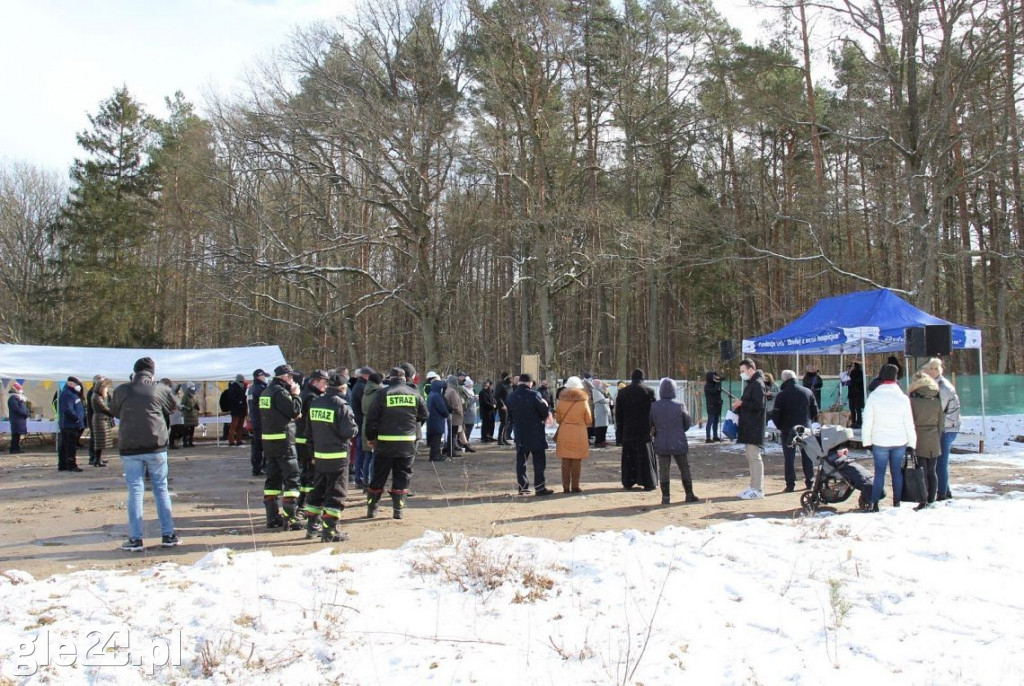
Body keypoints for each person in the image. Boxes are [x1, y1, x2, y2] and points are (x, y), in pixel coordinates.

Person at [111, 357, 180, 551]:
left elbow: (114, 411)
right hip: (156, 445)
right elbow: (173, 406)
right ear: (152, 373)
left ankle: (135, 538)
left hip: (130, 446)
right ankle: (168, 535)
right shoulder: (159, 389)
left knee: (135, 491)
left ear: (135, 372)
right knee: (161, 489)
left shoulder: (121, 390)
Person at [363, 366, 427, 519]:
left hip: (385, 444)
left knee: (378, 477)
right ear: (405, 379)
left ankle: (372, 508)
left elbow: (371, 420)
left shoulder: (382, 394)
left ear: (390, 379)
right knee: (402, 476)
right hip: (407, 444)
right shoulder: (415, 394)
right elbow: (424, 415)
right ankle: (398, 510)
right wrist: (410, 424)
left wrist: (371, 438)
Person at [303, 371, 358, 542]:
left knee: (317, 490)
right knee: (336, 492)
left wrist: (312, 453)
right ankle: (330, 531)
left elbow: (308, 432)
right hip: (338, 456)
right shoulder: (341, 405)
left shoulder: (316, 403)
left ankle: (312, 527)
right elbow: (348, 431)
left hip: (319, 456)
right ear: (342, 388)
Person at [862, 363, 916, 511]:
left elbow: (867, 421)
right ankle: (897, 502)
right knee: (896, 472)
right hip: (899, 441)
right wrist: (912, 443)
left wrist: (866, 441)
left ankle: (875, 503)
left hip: (880, 441)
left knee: (879, 473)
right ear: (896, 377)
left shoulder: (874, 396)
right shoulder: (903, 398)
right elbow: (909, 422)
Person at [259, 364, 304, 530]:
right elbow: (294, 411)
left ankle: (272, 518)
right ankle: (291, 519)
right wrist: (296, 395)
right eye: (291, 377)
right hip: (284, 441)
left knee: (272, 480)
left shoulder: (266, 392)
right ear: (284, 377)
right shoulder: (280, 392)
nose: (292, 380)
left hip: (269, 442)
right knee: (292, 479)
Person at [649, 377, 699, 504]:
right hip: (679, 441)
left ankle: (665, 497)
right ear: (674, 390)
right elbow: (687, 424)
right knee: (684, 468)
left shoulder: (654, 406)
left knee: (664, 469)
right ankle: (689, 494)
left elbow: (650, 424)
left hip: (661, 441)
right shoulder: (680, 405)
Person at [920, 357, 961, 501]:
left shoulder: (943, 387)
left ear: (934, 371)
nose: (923, 372)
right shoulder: (937, 385)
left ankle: (942, 494)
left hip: (947, 428)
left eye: (926, 370)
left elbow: (938, 410)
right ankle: (946, 490)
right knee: (938, 462)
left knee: (940, 463)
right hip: (943, 426)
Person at [771, 370, 819, 492]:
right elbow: (815, 411)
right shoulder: (807, 392)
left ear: (784, 380)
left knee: (789, 458)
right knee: (807, 455)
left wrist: (780, 426)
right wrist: (808, 421)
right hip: (805, 428)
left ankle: (790, 484)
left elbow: (776, 414)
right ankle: (810, 481)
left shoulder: (781, 395)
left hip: (788, 429)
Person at [507, 373, 553, 496]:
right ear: (530, 383)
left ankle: (523, 487)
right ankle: (539, 487)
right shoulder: (534, 395)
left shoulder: (512, 396)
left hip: (520, 433)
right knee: (539, 461)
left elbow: (510, 416)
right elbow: (543, 412)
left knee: (521, 462)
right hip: (535, 432)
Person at [615, 369, 657, 491]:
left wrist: (620, 431)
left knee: (629, 458)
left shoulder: (622, 392)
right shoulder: (649, 391)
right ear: (643, 378)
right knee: (645, 457)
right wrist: (654, 427)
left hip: (629, 429)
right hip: (644, 429)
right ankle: (648, 481)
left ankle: (628, 481)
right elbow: (654, 412)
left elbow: (619, 414)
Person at [908, 371, 943, 509]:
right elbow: (941, 423)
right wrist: (937, 437)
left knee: (920, 471)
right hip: (934, 438)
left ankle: (923, 500)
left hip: (919, 437)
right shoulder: (936, 400)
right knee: (932, 471)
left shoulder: (912, 401)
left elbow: (910, 421)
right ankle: (932, 498)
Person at [732, 359, 766, 499]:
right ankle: (753, 486)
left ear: (751, 370)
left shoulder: (757, 384)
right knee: (751, 457)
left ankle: (758, 488)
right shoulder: (752, 383)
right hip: (749, 426)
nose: (742, 374)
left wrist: (742, 403)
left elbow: (759, 405)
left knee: (755, 457)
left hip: (754, 426)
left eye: (743, 371)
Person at [296, 369, 329, 512]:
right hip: (308, 440)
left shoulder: (307, 394)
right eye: (324, 383)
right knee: (311, 473)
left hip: (303, 438)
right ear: (315, 381)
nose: (326, 386)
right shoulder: (312, 398)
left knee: (307, 472)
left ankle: (303, 502)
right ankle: (309, 503)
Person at [554, 376, 592, 493]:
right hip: (579, 432)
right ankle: (575, 486)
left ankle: (565, 486)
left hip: (565, 431)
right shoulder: (583, 400)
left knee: (565, 460)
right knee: (577, 461)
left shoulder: (562, 400)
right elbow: (588, 419)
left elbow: (558, 418)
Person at [350, 367, 373, 488]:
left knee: (361, 452)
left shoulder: (359, 386)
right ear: (366, 375)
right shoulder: (361, 387)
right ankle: (360, 478)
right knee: (362, 452)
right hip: (360, 422)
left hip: (359, 421)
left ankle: (360, 477)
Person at [359, 371, 383, 487]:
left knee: (367, 456)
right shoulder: (377, 393)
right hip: (373, 424)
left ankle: (365, 481)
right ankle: (371, 481)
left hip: (365, 423)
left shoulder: (365, 391)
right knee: (374, 457)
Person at [57, 376, 86, 472]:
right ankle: (71, 465)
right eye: (77, 384)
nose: (78, 386)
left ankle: (63, 464)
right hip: (69, 424)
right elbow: (68, 409)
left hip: (70, 424)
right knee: (70, 446)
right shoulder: (68, 394)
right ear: (70, 384)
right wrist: (77, 419)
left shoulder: (72, 394)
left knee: (65, 445)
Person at [247, 369, 269, 476]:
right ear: (259, 376)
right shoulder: (260, 389)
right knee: (261, 446)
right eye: (264, 376)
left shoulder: (251, 388)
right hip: (261, 421)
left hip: (255, 420)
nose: (265, 378)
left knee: (256, 445)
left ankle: (256, 466)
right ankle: (260, 467)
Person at [89, 377, 115, 466]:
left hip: (101, 419)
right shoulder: (96, 397)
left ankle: (99, 458)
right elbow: (104, 408)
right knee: (99, 441)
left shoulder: (98, 396)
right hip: (99, 420)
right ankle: (97, 459)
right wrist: (113, 412)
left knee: (101, 441)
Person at [426, 378, 450, 462]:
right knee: (436, 439)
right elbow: (442, 408)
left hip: (431, 420)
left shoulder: (431, 394)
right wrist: (447, 414)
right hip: (437, 420)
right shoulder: (437, 396)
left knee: (434, 439)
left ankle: (435, 454)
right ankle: (435, 455)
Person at [224, 374, 248, 446]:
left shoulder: (244, 386)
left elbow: (245, 396)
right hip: (235, 408)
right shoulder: (233, 386)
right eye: (241, 380)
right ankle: (231, 441)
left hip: (242, 408)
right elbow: (231, 396)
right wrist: (238, 401)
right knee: (234, 425)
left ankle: (239, 440)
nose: (242, 381)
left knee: (240, 426)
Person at [7, 382, 29, 454]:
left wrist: (26, 412)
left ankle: (17, 448)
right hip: (16, 419)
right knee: (15, 435)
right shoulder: (13, 398)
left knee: (17, 435)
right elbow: (16, 409)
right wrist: (24, 413)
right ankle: (13, 449)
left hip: (18, 419)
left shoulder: (17, 398)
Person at [703, 371, 723, 443]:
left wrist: (718, 382)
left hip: (717, 405)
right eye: (713, 377)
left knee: (716, 421)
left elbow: (718, 391)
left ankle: (715, 436)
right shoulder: (708, 386)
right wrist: (718, 383)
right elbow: (714, 391)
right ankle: (708, 437)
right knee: (710, 421)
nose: (715, 378)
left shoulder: (715, 384)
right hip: (711, 406)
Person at [591, 379, 611, 448]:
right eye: (599, 384)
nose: (601, 386)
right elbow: (602, 400)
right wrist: (608, 400)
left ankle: (603, 440)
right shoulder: (595, 391)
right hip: (599, 412)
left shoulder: (599, 391)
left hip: (603, 411)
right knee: (600, 427)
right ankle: (598, 441)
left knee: (604, 427)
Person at [495, 373, 513, 446]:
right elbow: (497, 396)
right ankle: (500, 438)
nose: (511, 379)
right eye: (509, 377)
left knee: (507, 423)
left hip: (509, 406)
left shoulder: (509, 386)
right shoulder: (500, 385)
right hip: (503, 406)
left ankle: (504, 438)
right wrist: (502, 405)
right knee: (503, 422)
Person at [846, 362, 865, 428]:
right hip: (851, 394)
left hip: (858, 394)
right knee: (852, 409)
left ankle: (859, 422)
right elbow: (847, 383)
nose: (851, 368)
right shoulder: (849, 373)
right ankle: (853, 422)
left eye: (853, 366)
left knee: (858, 409)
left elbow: (858, 381)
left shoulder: (859, 373)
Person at [462, 377, 478, 443]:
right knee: (468, 427)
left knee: (470, 426)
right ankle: (465, 441)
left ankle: (466, 440)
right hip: (468, 412)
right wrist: (474, 399)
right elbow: (466, 402)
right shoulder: (464, 391)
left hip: (472, 412)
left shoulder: (471, 390)